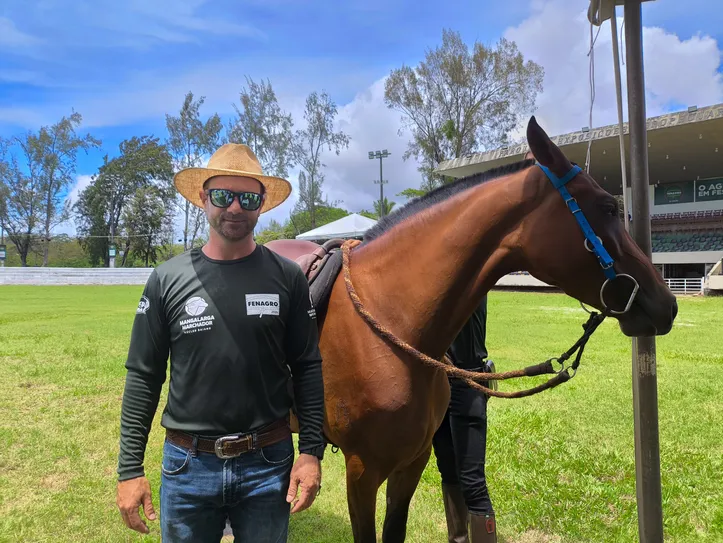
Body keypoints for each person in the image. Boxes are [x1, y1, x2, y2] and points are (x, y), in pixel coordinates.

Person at [115, 143, 326, 543]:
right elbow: (144, 376)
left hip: (268, 463)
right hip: (186, 467)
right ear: (202, 198)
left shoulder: (287, 278)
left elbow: (307, 366)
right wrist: (129, 470)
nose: (234, 208)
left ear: (262, 203)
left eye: (247, 197)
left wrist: (311, 451)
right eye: (222, 195)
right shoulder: (166, 279)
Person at [432, 295, 497, 543]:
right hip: (439, 382)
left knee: (472, 482)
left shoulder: (471, 273)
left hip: (468, 382)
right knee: (448, 472)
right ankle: (457, 539)